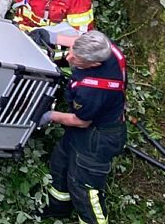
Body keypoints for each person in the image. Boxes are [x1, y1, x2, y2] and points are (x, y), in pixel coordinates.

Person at [37, 30, 127, 224]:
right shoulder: (103, 46)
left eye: (75, 58)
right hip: (83, 131)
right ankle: (58, 209)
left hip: (98, 137)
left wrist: (50, 115)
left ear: (94, 64)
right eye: (71, 51)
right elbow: (77, 41)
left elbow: (81, 121)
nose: (69, 57)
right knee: (60, 163)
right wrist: (48, 37)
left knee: (84, 188)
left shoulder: (94, 89)